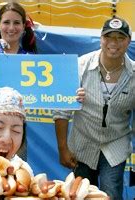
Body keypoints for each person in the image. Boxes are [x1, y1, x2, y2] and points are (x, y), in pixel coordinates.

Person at [53, 16, 135, 199]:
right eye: (109, 37)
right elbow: (61, 110)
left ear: (128, 41)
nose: (114, 43)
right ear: (101, 39)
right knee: (78, 193)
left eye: (120, 37)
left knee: (110, 193)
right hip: (82, 143)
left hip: (116, 144)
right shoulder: (79, 66)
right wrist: (63, 148)